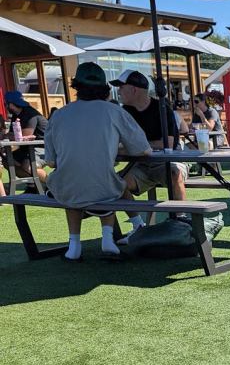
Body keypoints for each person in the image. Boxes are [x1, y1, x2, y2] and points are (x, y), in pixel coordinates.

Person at [43, 62, 151, 260]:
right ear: (105, 88)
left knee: (73, 182)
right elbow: (143, 150)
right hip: (104, 187)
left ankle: (74, 246)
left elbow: (51, 162)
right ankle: (108, 239)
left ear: (76, 86)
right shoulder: (115, 111)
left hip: (67, 188)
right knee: (109, 182)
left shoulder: (58, 115)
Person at [113, 70, 188, 243]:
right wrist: (139, 147)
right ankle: (138, 226)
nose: (118, 91)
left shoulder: (162, 109)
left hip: (166, 162)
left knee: (175, 174)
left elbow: (168, 144)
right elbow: (118, 143)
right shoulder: (125, 112)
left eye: (121, 87)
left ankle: (181, 222)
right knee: (117, 183)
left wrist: (136, 146)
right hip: (139, 165)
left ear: (134, 89)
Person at [3, 90, 48, 185]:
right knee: (7, 161)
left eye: (5, 104)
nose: (5, 106)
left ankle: (55, 185)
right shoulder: (16, 115)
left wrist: (7, 135)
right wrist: (8, 136)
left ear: (11, 104)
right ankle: (34, 186)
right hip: (28, 148)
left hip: (44, 147)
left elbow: (23, 136)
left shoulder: (30, 114)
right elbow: (14, 136)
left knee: (29, 166)